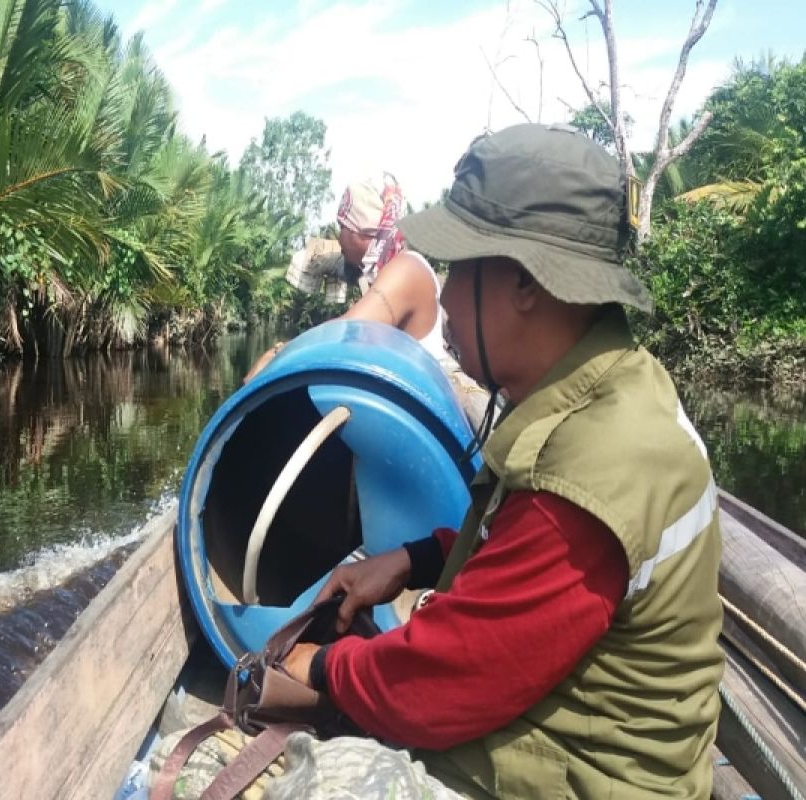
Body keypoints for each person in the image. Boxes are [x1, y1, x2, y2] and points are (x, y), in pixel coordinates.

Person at [280, 123, 724, 798]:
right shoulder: (609, 389)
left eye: (459, 269)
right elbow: (525, 557)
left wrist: (322, 667)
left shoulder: (596, 466)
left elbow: (434, 689)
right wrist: (414, 559)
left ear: (524, 283)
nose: (447, 299)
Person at [249, 174, 489, 424]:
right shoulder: (380, 271)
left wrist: (279, 352)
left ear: (362, 233)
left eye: (342, 227)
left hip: (427, 412)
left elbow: (348, 331)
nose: (339, 239)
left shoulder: (405, 269)